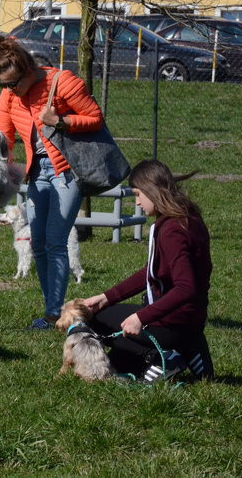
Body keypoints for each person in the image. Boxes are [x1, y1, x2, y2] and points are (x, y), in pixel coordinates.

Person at [0, 35, 103, 330]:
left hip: (67, 171)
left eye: (13, 84)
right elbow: (5, 138)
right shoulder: (9, 95)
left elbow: (95, 118)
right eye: (3, 85)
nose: (9, 90)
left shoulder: (64, 82)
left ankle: (55, 314)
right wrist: (4, 167)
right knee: (38, 243)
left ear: (28, 71)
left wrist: (62, 121)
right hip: (38, 171)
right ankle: (51, 309)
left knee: (55, 242)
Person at [80, 160, 214, 383]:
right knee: (117, 364)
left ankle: (161, 357)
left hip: (172, 323)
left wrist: (141, 317)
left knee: (93, 320)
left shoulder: (172, 230)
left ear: (152, 191)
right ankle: (191, 348)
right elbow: (153, 271)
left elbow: (185, 288)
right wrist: (106, 297)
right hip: (191, 321)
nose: (137, 202)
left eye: (138, 194)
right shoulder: (188, 217)